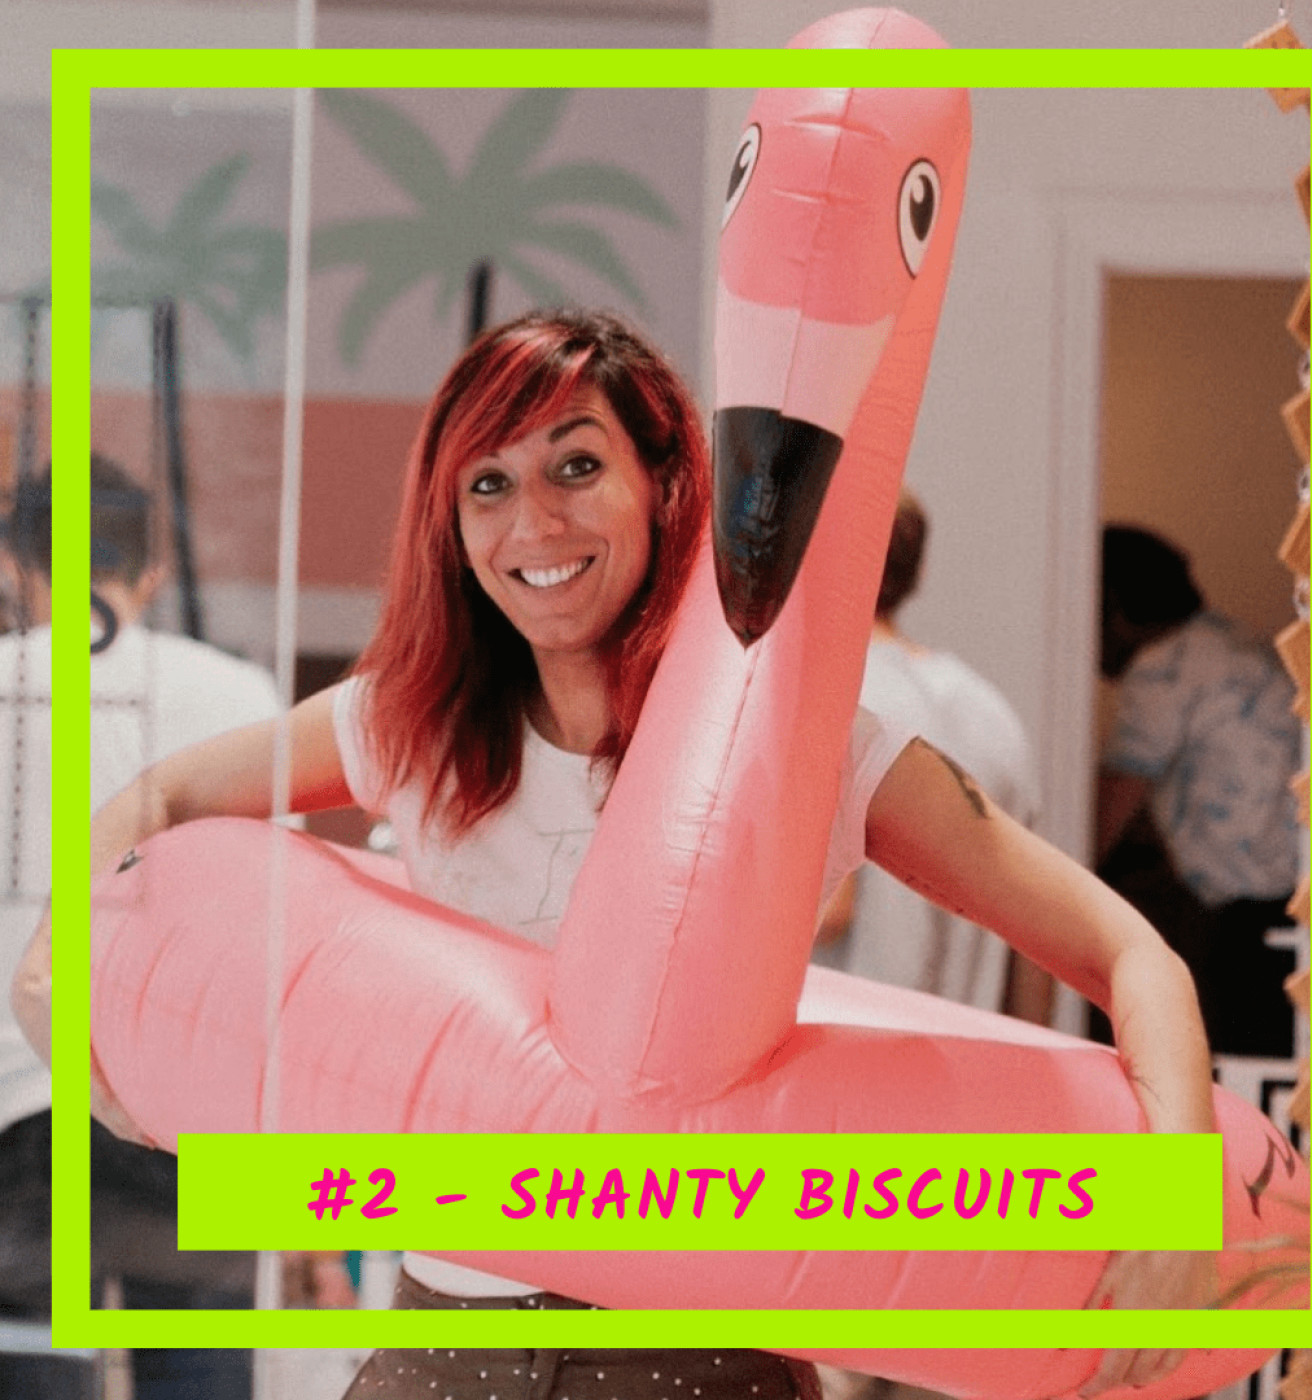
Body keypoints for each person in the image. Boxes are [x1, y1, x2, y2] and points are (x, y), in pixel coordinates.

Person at [17, 314, 1216, 1400]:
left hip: (699, 1359)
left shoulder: (796, 748)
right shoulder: (411, 725)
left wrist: (1175, 1199)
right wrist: (52, 971)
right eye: (488, 483)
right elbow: (162, 794)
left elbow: (1128, 951)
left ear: (662, 484)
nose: (533, 522)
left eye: (576, 466)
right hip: (441, 1348)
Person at [0, 456, 283, 1400]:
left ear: (15, 565)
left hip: (20, 1093)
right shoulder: (242, 698)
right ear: (152, 571)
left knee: (35, 1369)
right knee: (200, 1375)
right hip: (193, 1101)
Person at [815, 491, 1040, 1015]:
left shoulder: (829, 701)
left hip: (849, 1048)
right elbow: (1034, 952)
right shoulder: (992, 712)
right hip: (965, 1048)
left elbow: (829, 911)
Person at [1096, 524, 1301, 1058]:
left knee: (1233, 1058)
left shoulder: (1161, 669)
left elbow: (1106, 813)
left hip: (1247, 917)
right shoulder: (1236, 644)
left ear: (1114, 608)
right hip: (1303, 902)